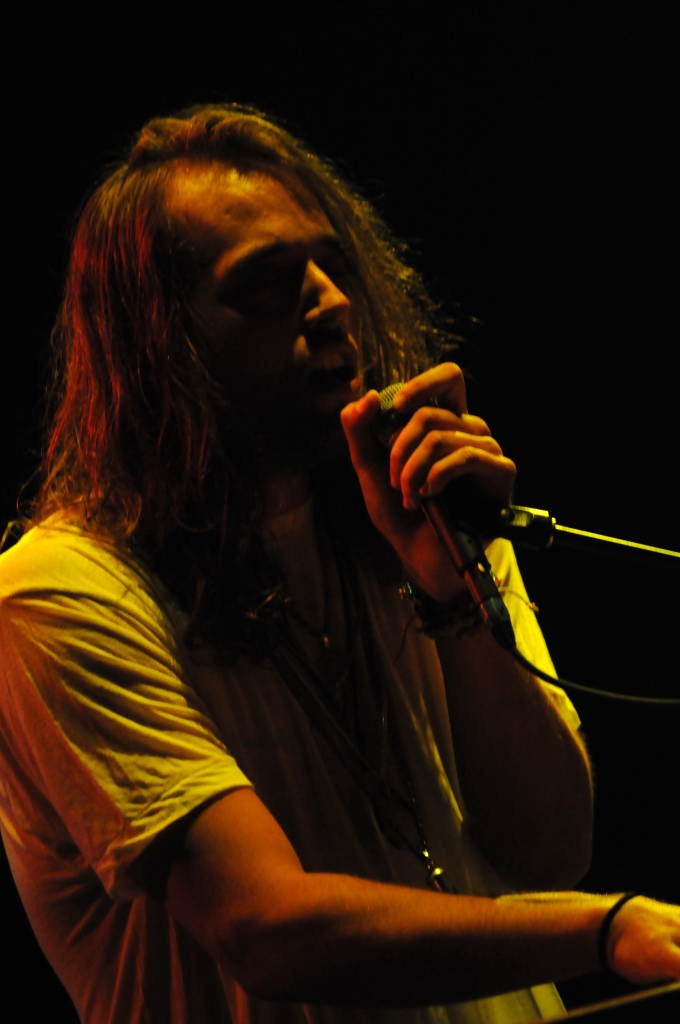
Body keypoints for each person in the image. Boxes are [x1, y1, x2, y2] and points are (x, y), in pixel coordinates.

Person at [0, 103, 678, 1024]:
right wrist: (607, 929)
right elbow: (264, 928)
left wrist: (451, 592)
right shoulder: (61, 592)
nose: (332, 304)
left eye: (335, 265)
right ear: (161, 343)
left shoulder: (422, 510)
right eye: (267, 284)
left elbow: (551, 847)